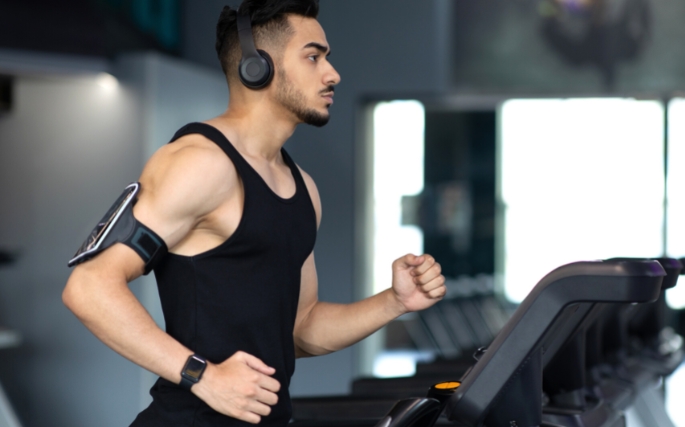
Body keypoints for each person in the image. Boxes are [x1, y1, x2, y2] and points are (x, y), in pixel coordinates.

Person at [61, 0, 446, 426]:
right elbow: (89, 287)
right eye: (314, 57)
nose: (332, 73)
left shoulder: (303, 189)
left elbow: (302, 328)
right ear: (256, 67)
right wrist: (202, 376)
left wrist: (393, 302)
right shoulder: (199, 164)